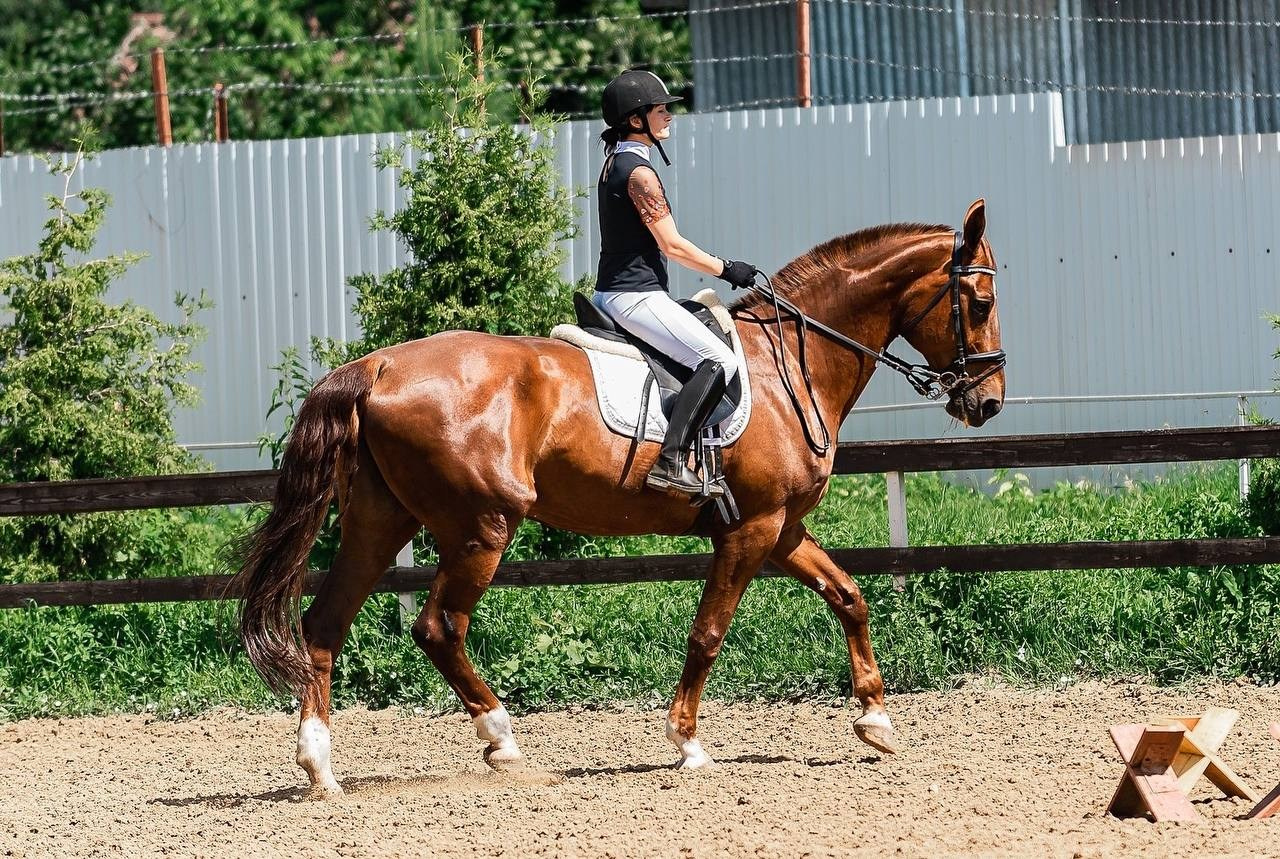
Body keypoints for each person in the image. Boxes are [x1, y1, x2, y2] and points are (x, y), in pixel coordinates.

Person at [593, 68, 760, 498]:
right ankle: (671, 462)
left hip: (616, 293)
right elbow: (673, 246)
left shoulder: (616, 161)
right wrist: (728, 269)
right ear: (636, 120)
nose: (669, 116)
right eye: (660, 109)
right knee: (720, 361)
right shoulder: (639, 174)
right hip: (635, 297)